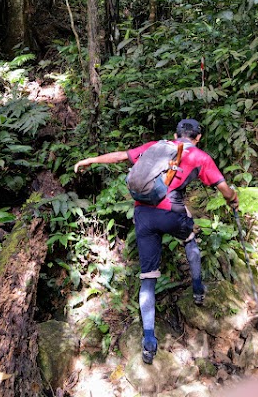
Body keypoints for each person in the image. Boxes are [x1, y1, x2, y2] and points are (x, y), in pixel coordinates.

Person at [74, 118, 239, 364]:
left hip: (143, 216)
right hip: (171, 213)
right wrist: (232, 199)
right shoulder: (200, 157)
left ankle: (149, 342)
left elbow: (121, 156)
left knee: (148, 277)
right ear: (198, 137)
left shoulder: (156, 147)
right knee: (190, 237)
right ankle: (197, 291)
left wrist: (90, 160)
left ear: (175, 134)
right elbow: (223, 188)